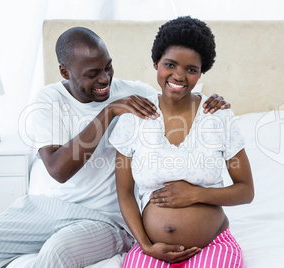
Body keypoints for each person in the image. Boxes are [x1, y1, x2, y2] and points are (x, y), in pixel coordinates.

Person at [0, 26, 231, 267]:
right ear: (65, 71)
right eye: (92, 73)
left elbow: (177, 91)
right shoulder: (47, 100)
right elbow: (58, 169)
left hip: (105, 219)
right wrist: (108, 112)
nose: (105, 79)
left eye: (108, 67)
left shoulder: (136, 94)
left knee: (57, 253)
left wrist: (213, 99)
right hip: (45, 207)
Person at [109, 16, 254, 268]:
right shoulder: (134, 118)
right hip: (153, 248)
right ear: (156, 63)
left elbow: (246, 191)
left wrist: (195, 194)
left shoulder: (217, 116)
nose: (179, 76)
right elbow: (125, 193)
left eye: (191, 69)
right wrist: (145, 245)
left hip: (211, 244)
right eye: (170, 64)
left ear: (201, 72)